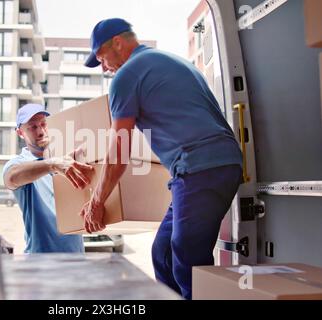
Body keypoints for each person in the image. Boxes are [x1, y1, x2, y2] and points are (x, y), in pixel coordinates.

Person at [79, 18, 243, 299]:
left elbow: (119, 152)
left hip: (200, 168)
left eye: (101, 59)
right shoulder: (167, 61)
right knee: (164, 253)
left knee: (187, 262)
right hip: (207, 167)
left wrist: (96, 202)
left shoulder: (126, 75)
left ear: (117, 42)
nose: (105, 69)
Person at [3, 103, 93, 253]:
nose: (40, 131)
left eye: (43, 124)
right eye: (32, 127)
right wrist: (52, 165)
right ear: (20, 133)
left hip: (76, 260)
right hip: (41, 262)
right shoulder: (19, 163)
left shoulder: (65, 160)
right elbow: (11, 178)